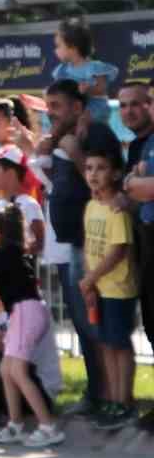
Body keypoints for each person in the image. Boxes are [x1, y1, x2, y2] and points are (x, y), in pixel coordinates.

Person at [36, 78, 120, 417]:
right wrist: (54, 143)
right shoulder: (63, 138)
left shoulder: (96, 135)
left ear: (77, 107)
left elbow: (102, 182)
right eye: (48, 106)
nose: (50, 113)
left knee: (98, 323)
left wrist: (75, 154)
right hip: (69, 243)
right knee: (83, 325)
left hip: (94, 244)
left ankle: (114, 397)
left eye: (57, 107)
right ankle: (95, 393)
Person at [0, 206, 65, 447]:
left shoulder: (3, 252)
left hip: (25, 310)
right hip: (24, 311)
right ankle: (15, 423)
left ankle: (48, 426)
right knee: (6, 368)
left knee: (17, 370)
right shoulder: (15, 251)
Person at [81, 145, 138, 430]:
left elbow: (117, 251)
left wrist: (91, 279)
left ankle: (124, 401)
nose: (93, 174)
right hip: (98, 289)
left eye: (101, 168)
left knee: (119, 344)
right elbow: (88, 248)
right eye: (89, 168)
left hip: (117, 288)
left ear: (115, 173)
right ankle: (111, 399)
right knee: (104, 343)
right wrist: (88, 281)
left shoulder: (117, 208)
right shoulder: (91, 206)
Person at [117, 81, 154, 428]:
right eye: (123, 105)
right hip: (144, 237)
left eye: (137, 104)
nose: (130, 110)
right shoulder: (138, 147)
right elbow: (133, 191)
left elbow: (144, 188)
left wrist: (132, 185)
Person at [53, 17, 117, 125]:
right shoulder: (61, 71)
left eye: (59, 46)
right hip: (72, 112)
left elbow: (102, 88)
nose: (56, 50)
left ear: (72, 47)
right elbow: (58, 91)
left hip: (94, 111)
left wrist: (89, 90)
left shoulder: (94, 67)